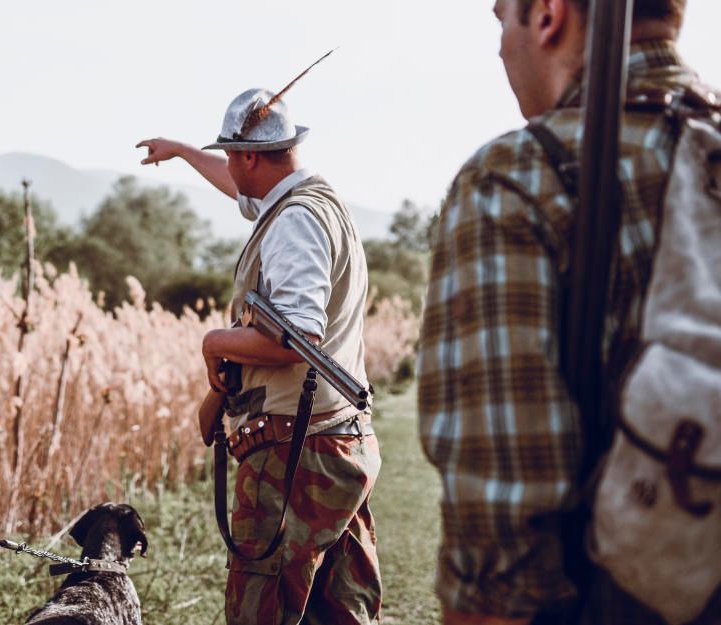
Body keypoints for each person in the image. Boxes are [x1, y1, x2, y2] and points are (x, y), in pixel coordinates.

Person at [417, 1, 718, 624]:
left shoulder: (515, 179)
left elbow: (504, 552)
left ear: (549, 15)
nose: (501, 45)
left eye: (502, 19)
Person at [139, 87, 380, 625]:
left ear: (250, 156)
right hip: (331, 443)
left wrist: (215, 341)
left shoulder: (294, 222)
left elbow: (298, 338)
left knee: (261, 615)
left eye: (230, 153)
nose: (227, 164)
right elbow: (240, 188)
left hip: (295, 456)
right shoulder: (311, 200)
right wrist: (181, 150)